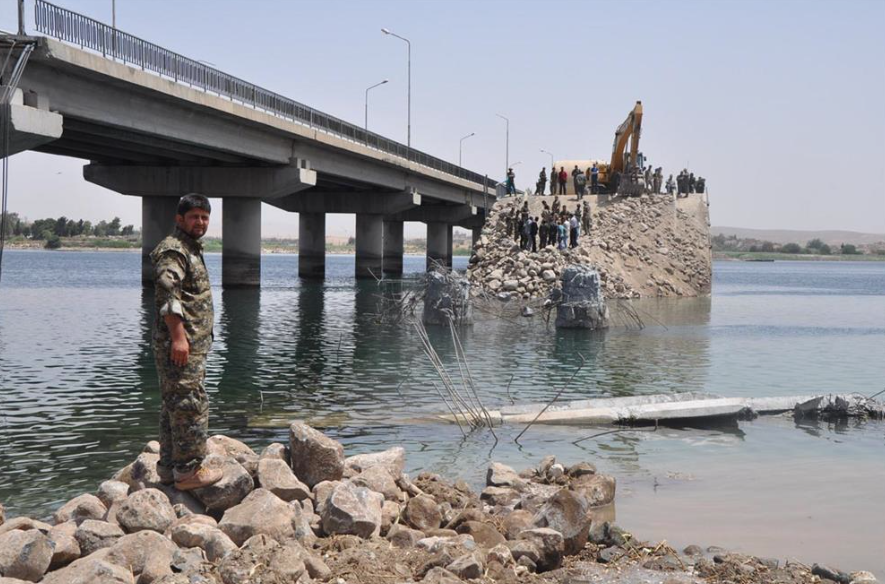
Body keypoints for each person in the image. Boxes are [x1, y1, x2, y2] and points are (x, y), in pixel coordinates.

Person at [151, 194, 223, 491]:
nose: (200, 222)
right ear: (179, 219)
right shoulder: (174, 250)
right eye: (194, 216)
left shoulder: (189, 248)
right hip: (182, 344)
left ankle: (168, 468)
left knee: (174, 403)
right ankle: (189, 471)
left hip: (190, 343)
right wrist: (179, 338)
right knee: (190, 403)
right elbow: (168, 291)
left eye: (204, 217)